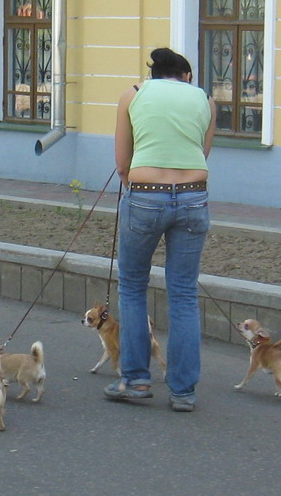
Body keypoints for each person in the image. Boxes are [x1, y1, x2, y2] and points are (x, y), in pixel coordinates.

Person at [105, 47, 216, 412]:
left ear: (153, 74)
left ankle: (135, 380)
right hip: (193, 196)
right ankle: (183, 391)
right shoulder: (204, 99)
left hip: (145, 195)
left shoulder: (133, 95)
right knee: (183, 292)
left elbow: (122, 162)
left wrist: (136, 183)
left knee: (133, 286)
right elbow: (203, 152)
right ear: (186, 76)